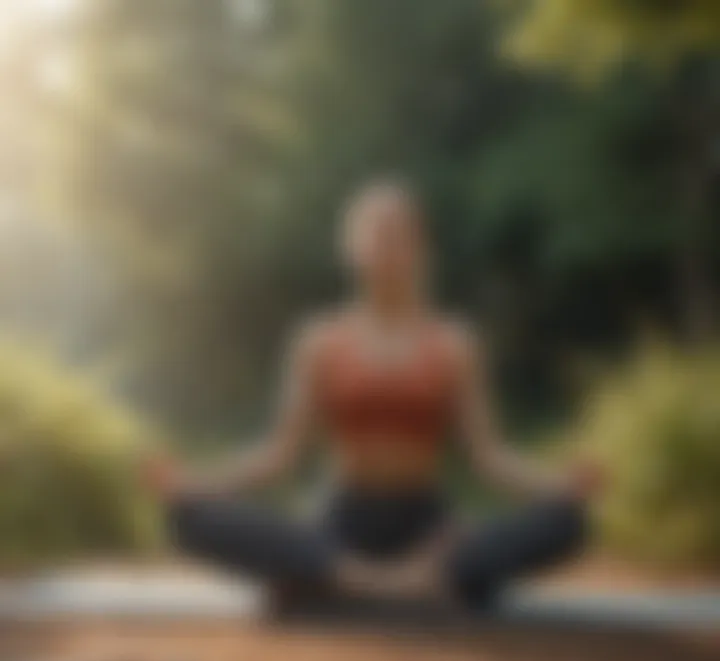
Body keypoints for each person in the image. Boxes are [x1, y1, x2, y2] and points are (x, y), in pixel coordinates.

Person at [146, 179, 602, 608]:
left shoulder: (455, 343)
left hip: (426, 527)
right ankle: (383, 580)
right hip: (341, 522)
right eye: (376, 235)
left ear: (422, 248)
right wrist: (195, 484)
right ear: (351, 249)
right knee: (188, 520)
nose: (388, 248)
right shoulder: (319, 339)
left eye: (400, 235)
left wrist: (560, 485)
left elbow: (489, 456)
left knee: (568, 523)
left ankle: (353, 580)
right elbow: (278, 453)